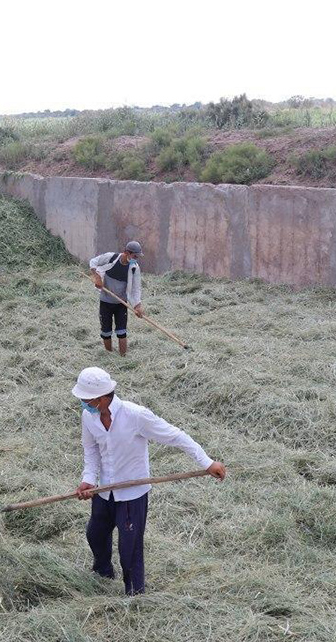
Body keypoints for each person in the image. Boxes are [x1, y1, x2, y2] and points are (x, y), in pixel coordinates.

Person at [71, 367, 227, 595]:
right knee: (95, 533)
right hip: (104, 491)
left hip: (131, 495)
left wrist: (207, 462)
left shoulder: (136, 415)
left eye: (87, 399)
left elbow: (176, 436)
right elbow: (91, 450)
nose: (83, 403)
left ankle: (135, 593)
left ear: (103, 397)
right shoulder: (89, 416)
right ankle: (103, 572)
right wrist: (88, 480)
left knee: (130, 550)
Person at [89, 241, 144, 356]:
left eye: (137, 257)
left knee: (122, 332)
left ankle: (122, 357)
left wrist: (137, 306)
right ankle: (109, 355)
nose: (136, 259)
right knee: (106, 332)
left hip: (121, 304)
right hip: (106, 302)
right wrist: (97, 277)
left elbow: (135, 288)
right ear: (126, 252)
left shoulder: (134, 268)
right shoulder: (110, 257)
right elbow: (93, 262)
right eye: (134, 256)